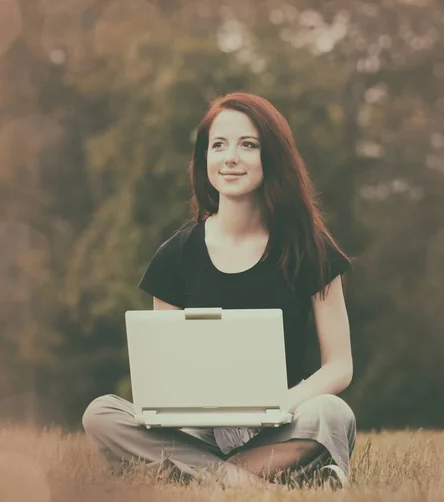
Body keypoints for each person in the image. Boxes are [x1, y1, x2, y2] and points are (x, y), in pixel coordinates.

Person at [82, 92, 356, 489]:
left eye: (248, 145)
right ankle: (261, 485)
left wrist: (282, 404)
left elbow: (339, 366)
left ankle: (192, 476)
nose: (231, 157)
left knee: (333, 415)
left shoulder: (309, 249)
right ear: (204, 158)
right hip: (196, 431)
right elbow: (166, 374)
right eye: (218, 145)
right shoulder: (175, 255)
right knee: (101, 414)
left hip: (281, 423)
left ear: (271, 157)